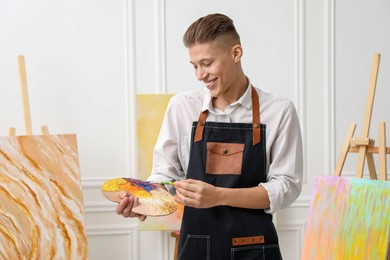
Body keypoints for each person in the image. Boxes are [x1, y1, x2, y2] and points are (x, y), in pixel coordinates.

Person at [116, 13, 303, 260]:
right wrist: (143, 202)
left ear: (236, 53)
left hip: (255, 247)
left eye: (207, 63)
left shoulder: (279, 111)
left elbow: (286, 187)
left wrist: (218, 196)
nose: (200, 75)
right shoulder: (182, 106)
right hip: (196, 248)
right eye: (194, 65)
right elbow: (165, 174)